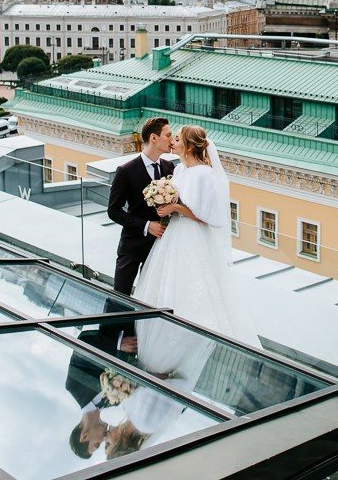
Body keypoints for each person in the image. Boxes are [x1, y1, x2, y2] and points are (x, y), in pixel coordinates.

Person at [133, 125, 258, 374]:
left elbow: (206, 216)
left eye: (177, 139)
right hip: (173, 237)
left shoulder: (205, 174)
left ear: (188, 147)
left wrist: (175, 209)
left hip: (192, 237)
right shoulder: (179, 169)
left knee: (192, 290)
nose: (173, 143)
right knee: (167, 286)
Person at [107, 117, 174, 296]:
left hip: (160, 246)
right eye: (168, 135)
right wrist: (147, 226)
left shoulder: (169, 167)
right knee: (120, 296)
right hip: (132, 246)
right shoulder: (125, 171)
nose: (172, 140)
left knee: (152, 296)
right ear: (154, 138)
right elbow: (113, 211)